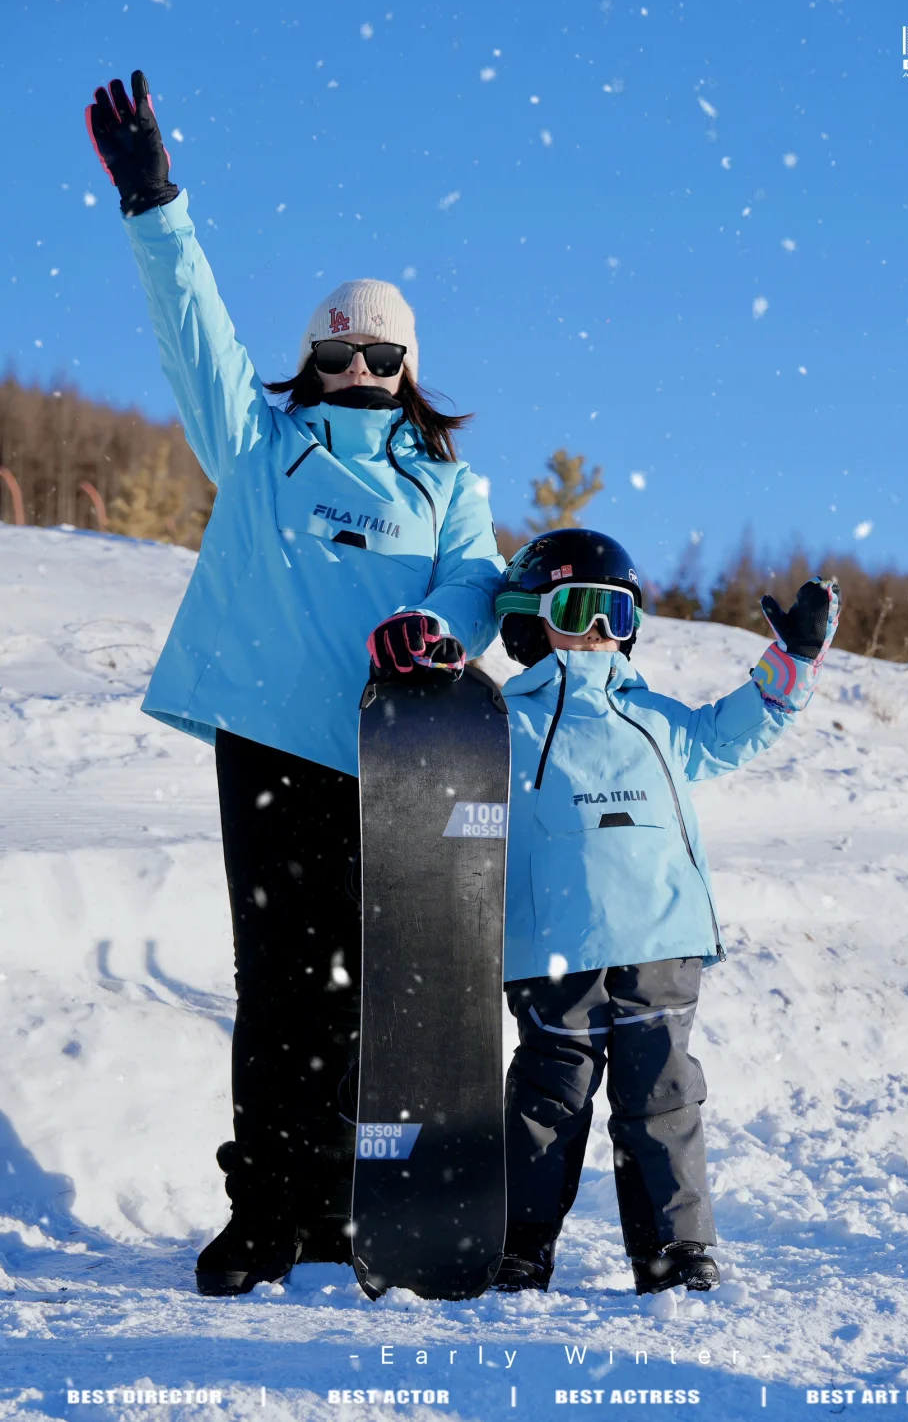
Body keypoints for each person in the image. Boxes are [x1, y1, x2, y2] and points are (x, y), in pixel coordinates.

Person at [85, 72, 505, 1295]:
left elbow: (477, 587)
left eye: (384, 353)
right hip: (272, 743)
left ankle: (351, 1203)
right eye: (339, 348)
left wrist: (437, 627)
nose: (361, 365)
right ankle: (269, 1208)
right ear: (313, 357)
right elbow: (196, 332)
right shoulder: (261, 446)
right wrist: (156, 203)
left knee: (384, 989)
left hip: (401, 757)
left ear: (409, 367)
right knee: (280, 986)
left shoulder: (447, 489)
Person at [491, 529, 840, 1293]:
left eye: (619, 615)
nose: (599, 631)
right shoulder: (501, 724)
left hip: (661, 940)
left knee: (663, 1096)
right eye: (580, 608)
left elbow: (732, 732)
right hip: (555, 945)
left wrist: (795, 661)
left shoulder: (658, 719)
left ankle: (674, 1250)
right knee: (549, 1099)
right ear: (527, 619)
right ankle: (516, 1243)